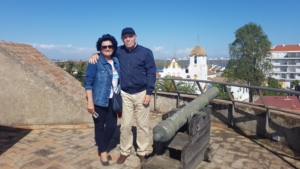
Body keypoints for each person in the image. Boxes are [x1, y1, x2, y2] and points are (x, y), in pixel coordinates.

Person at [89, 27, 156, 164]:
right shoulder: (118, 51)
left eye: (130, 36)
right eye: (125, 37)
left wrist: (149, 92)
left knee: (142, 125)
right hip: (124, 93)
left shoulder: (146, 52)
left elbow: (151, 72)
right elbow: (105, 53)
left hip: (142, 92)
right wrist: (94, 54)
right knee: (125, 125)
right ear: (122, 39)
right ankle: (125, 151)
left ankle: (142, 152)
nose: (128, 39)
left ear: (135, 37)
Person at [84, 34, 120, 166]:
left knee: (111, 127)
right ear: (100, 48)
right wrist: (90, 101)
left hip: (113, 101)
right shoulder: (95, 62)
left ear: (114, 47)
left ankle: (102, 147)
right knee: (99, 127)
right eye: (104, 46)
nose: (107, 48)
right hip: (98, 100)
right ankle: (103, 151)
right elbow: (88, 82)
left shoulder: (116, 61)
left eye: (110, 46)